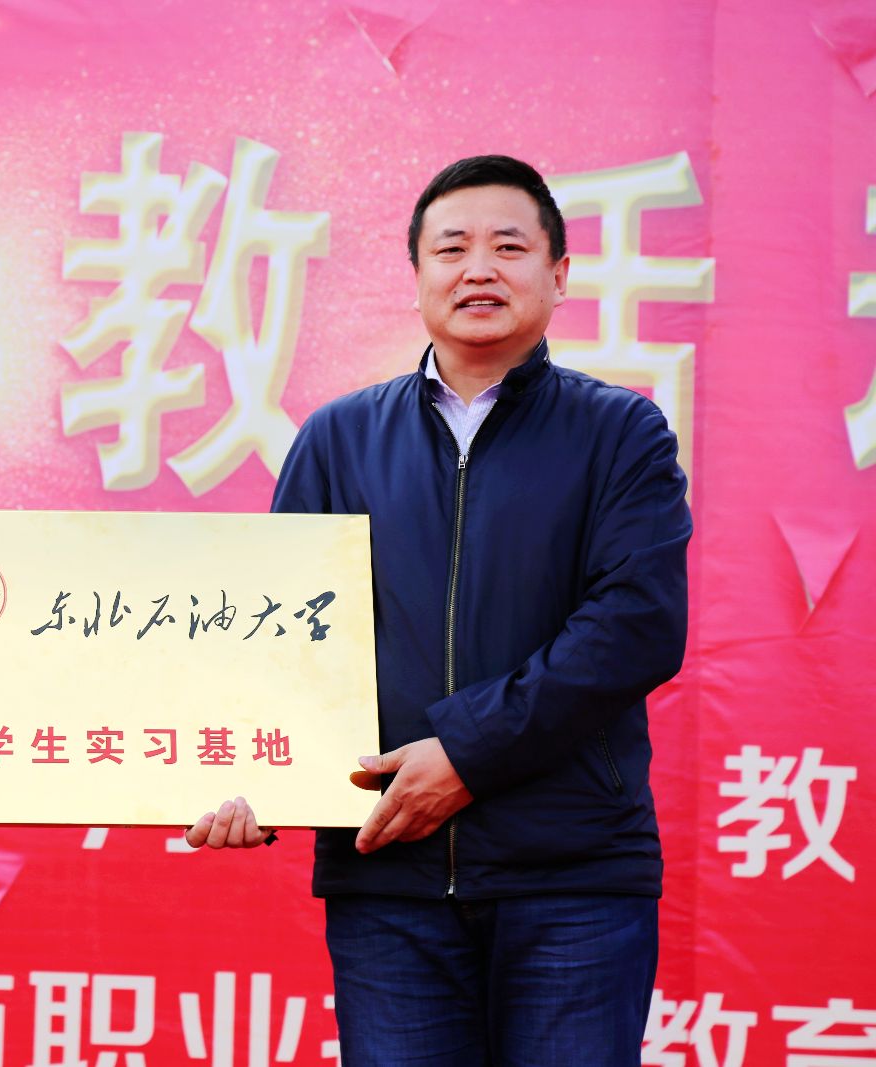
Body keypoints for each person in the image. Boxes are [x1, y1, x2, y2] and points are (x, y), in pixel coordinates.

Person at [187, 155, 691, 1065]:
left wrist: (466, 753)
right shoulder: (338, 438)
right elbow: (278, 637)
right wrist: (253, 773)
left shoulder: (621, 432)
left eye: (509, 247)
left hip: (573, 878)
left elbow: (634, 626)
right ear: (417, 274)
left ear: (560, 274)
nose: (478, 269)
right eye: (452, 248)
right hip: (391, 882)